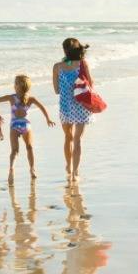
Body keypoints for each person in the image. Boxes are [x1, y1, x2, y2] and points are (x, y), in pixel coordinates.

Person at [0, 74, 54, 180]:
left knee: (15, 150)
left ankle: (12, 169)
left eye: (15, 83)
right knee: (29, 147)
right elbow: (42, 107)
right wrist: (48, 119)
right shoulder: (29, 99)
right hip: (26, 125)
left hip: (14, 125)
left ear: (18, 86)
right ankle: (31, 170)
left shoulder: (12, 97)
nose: (14, 85)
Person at [52, 36, 91, 181]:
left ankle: (68, 166)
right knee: (77, 139)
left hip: (66, 106)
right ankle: (75, 173)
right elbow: (91, 83)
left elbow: (56, 90)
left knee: (68, 137)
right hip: (81, 105)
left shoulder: (57, 67)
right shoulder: (83, 64)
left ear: (64, 50)